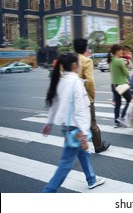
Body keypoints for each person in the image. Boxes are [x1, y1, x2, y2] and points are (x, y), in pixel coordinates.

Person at [41, 53, 105, 192]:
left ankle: (91, 178)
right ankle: (48, 191)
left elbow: (54, 104)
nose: (81, 65)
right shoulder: (76, 83)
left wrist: (49, 123)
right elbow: (81, 110)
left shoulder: (61, 81)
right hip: (75, 128)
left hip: (66, 126)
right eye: (79, 63)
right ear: (75, 65)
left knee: (82, 152)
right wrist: (83, 134)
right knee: (66, 162)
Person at [73, 38, 110, 153]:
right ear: (85, 48)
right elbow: (89, 81)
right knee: (92, 124)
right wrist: (92, 96)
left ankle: (75, 146)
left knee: (74, 123)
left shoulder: (69, 59)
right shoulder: (86, 61)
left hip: (71, 98)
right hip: (84, 98)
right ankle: (98, 146)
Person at [108, 44, 132, 127]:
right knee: (130, 100)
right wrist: (130, 80)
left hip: (114, 85)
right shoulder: (119, 61)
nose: (122, 51)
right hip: (121, 85)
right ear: (117, 51)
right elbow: (126, 73)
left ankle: (117, 121)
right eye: (121, 50)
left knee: (117, 104)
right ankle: (122, 117)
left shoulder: (110, 61)